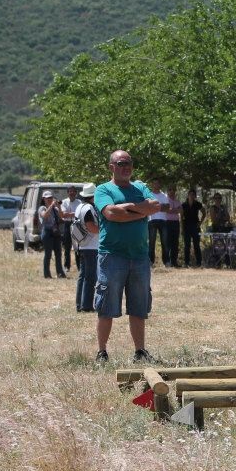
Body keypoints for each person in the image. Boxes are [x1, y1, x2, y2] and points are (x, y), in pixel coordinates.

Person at [93, 150, 161, 363]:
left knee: (139, 307)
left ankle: (140, 351)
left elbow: (155, 206)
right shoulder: (103, 189)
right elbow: (111, 214)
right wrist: (140, 211)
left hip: (139, 256)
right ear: (111, 166)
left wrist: (127, 209)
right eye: (121, 163)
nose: (126, 167)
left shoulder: (140, 187)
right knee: (106, 307)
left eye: (129, 163)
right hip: (112, 256)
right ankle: (102, 352)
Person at [74, 186, 100, 313]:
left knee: (83, 276)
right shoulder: (89, 209)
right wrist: (104, 230)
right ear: (92, 196)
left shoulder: (80, 206)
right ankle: (87, 306)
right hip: (90, 246)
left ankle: (80, 304)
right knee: (90, 277)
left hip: (82, 245)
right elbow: (91, 228)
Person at [37, 191, 66, 279]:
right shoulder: (42, 208)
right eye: (48, 198)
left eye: (51, 198)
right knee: (48, 254)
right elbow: (44, 216)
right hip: (47, 232)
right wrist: (51, 206)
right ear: (44, 199)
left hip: (56, 232)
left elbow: (62, 216)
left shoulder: (55, 208)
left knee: (58, 254)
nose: (50, 199)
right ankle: (47, 274)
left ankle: (60, 273)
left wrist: (59, 206)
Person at [147, 180, 169, 266]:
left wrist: (155, 207)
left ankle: (166, 261)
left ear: (160, 184)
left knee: (165, 242)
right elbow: (148, 207)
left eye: (158, 183)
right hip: (151, 220)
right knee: (151, 243)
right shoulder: (149, 195)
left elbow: (167, 207)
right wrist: (161, 206)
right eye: (155, 183)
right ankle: (150, 262)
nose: (156, 184)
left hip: (163, 221)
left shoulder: (164, 195)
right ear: (152, 184)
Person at [59, 185, 81, 272]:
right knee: (67, 246)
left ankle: (79, 266)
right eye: (70, 191)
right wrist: (74, 213)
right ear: (67, 193)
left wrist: (69, 213)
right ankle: (67, 266)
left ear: (76, 193)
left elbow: (80, 214)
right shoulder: (64, 202)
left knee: (77, 246)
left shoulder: (79, 202)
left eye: (73, 191)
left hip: (76, 224)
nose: (71, 193)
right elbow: (63, 214)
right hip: (67, 224)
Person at [181, 189, 205, 267]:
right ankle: (186, 263)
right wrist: (182, 228)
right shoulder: (184, 204)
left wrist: (200, 223)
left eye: (193, 194)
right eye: (190, 194)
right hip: (186, 226)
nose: (191, 196)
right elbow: (181, 217)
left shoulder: (198, 204)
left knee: (196, 245)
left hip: (195, 226)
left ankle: (199, 262)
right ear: (188, 195)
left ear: (195, 196)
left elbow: (204, 213)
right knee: (187, 245)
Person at [162, 186, 182, 267]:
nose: (172, 191)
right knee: (167, 242)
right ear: (167, 191)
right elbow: (166, 210)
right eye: (170, 189)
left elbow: (181, 211)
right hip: (167, 223)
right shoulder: (165, 200)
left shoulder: (177, 201)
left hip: (176, 223)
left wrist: (172, 210)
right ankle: (167, 261)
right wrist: (175, 210)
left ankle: (174, 261)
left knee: (175, 243)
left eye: (173, 189)